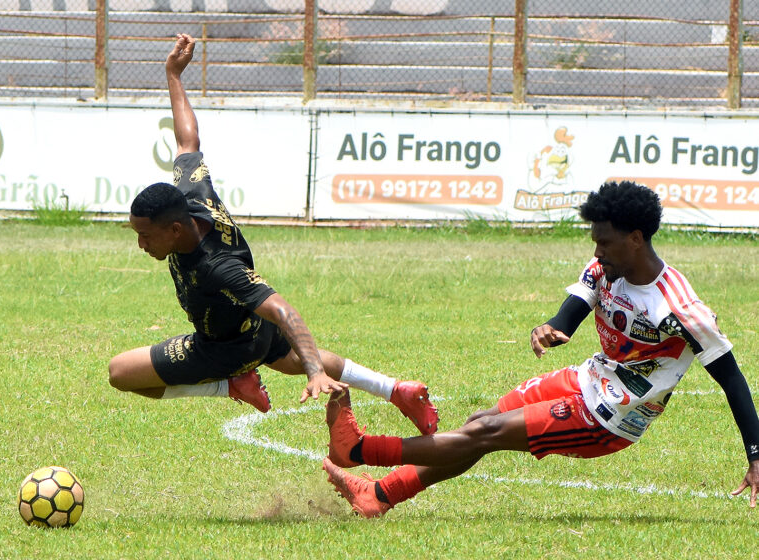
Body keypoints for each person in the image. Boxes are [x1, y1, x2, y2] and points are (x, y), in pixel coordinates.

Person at [321, 180, 759, 517]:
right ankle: (379, 494)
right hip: (589, 377)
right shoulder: (606, 267)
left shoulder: (681, 308)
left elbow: (733, 381)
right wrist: (548, 328)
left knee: (483, 434)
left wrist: (756, 456)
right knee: (482, 422)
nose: (596, 249)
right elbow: (571, 312)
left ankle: (359, 451)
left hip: (611, 414)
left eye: (604, 240)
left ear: (636, 239)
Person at [107, 33, 438, 435]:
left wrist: (315, 373)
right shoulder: (192, 191)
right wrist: (174, 75)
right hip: (255, 332)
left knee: (121, 373)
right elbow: (186, 139)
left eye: (145, 236)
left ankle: (229, 384)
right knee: (293, 357)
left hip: (226, 346)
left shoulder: (216, 267)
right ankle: (397, 390)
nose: (140, 245)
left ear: (175, 230)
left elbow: (283, 310)